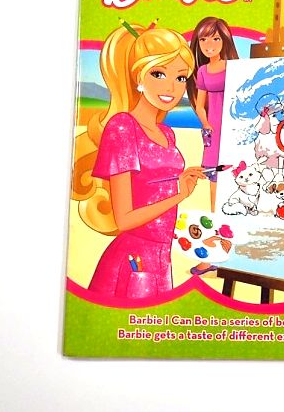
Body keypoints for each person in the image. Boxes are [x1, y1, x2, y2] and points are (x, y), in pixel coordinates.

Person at [71, 22, 206, 299]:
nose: (172, 87)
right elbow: (124, 219)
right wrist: (178, 195)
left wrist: (180, 183)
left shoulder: (167, 133)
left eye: (181, 78)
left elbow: (154, 187)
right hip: (134, 261)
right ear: (138, 77)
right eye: (159, 73)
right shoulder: (123, 127)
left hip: (161, 258)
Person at [186, 17, 240, 213]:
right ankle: (215, 214)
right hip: (214, 127)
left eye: (215, 39)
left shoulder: (233, 67)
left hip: (233, 125)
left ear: (225, 40)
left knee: (236, 169)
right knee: (215, 175)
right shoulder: (203, 71)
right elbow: (200, 105)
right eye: (203, 40)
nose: (209, 45)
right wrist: (206, 124)